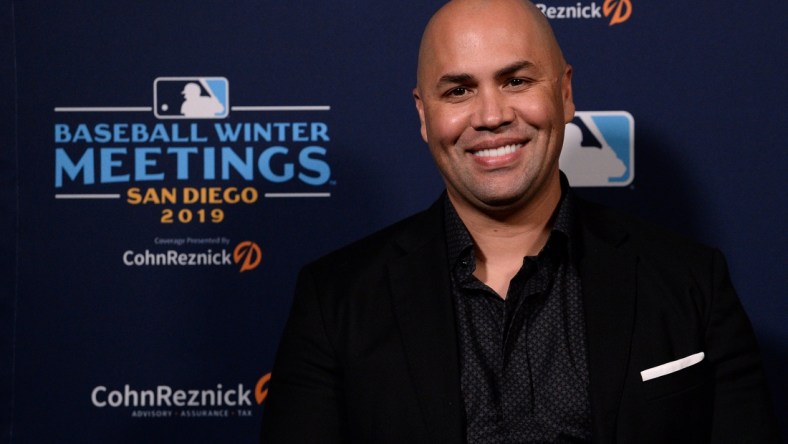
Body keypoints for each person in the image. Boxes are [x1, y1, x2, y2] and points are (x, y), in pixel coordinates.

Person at [260, 0, 779, 442]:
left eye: (517, 80)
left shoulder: (691, 281)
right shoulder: (335, 300)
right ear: (424, 115)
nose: (491, 115)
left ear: (565, 92)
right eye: (458, 90)